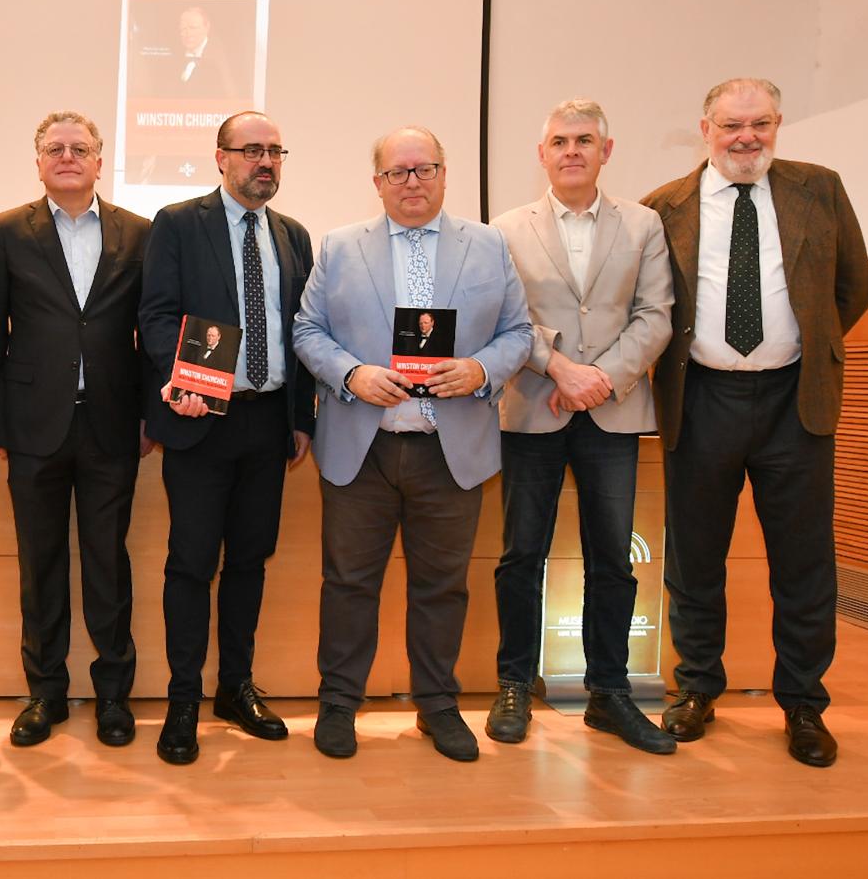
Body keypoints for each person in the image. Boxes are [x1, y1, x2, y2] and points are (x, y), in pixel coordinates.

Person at [642, 78, 868, 767]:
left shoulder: (819, 189)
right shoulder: (665, 206)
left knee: (804, 564)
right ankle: (696, 689)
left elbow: (852, 288)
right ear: (704, 128)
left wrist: (805, 347)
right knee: (694, 559)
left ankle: (803, 703)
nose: (748, 137)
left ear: (777, 124)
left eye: (761, 124)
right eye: (732, 125)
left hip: (795, 404)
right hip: (701, 399)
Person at [292, 126, 531, 762]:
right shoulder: (341, 247)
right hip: (361, 447)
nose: (412, 182)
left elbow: (517, 332)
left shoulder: (488, 245)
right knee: (347, 583)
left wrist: (481, 370)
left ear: (445, 174)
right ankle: (339, 702)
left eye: (424, 169)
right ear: (377, 184)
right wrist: (352, 374)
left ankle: (437, 705)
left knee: (442, 585)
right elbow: (307, 329)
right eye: (397, 173)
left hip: (450, 448)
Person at [488, 99, 675, 754]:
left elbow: (655, 314)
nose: (572, 150)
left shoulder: (645, 225)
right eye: (560, 140)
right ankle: (514, 684)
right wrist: (562, 369)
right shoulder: (506, 228)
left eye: (585, 140)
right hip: (533, 407)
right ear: (542, 153)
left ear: (606, 150)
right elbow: (502, 315)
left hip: (613, 410)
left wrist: (602, 379)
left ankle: (609, 692)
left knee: (611, 560)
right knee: (520, 557)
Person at [139, 111, 316, 765]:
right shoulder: (179, 224)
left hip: (268, 422)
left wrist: (303, 419)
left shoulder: (294, 236)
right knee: (190, 563)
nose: (264, 162)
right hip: (198, 419)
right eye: (251, 151)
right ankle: (183, 698)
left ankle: (234, 688)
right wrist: (174, 378)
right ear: (221, 157)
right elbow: (156, 315)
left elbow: (303, 333)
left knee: (249, 560)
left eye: (275, 151)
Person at [0, 110, 153, 748]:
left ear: (100, 161)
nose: (68, 157)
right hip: (32, 425)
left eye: (81, 148)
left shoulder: (138, 233)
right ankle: (45, 693)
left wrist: (149, 415)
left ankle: (112, 698)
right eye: (56, 148)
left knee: (108, 563)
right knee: (39, 563)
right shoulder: (8, 231)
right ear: (40, 161)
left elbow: (152, 333)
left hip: (111, 423)